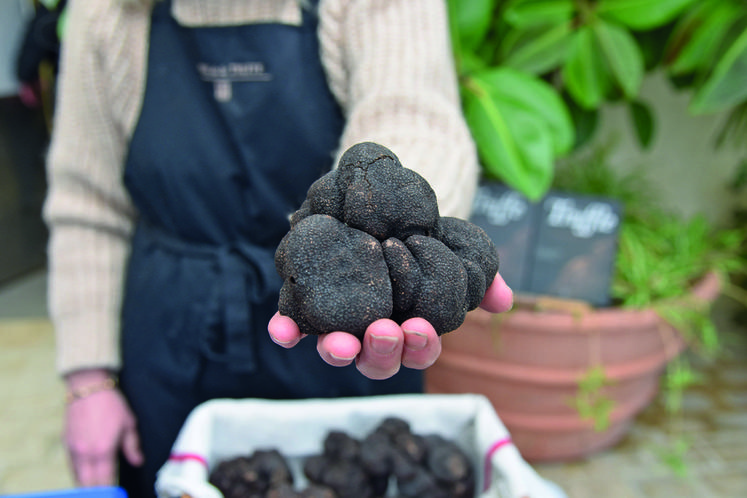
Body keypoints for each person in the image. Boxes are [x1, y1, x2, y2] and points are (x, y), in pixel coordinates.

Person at [44, 0, 514, 497]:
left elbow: (411, 115)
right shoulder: (107, 11)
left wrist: (406, 244)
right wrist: (89, 381)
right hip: (172, 331)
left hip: (340, 320)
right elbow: (87, 203)